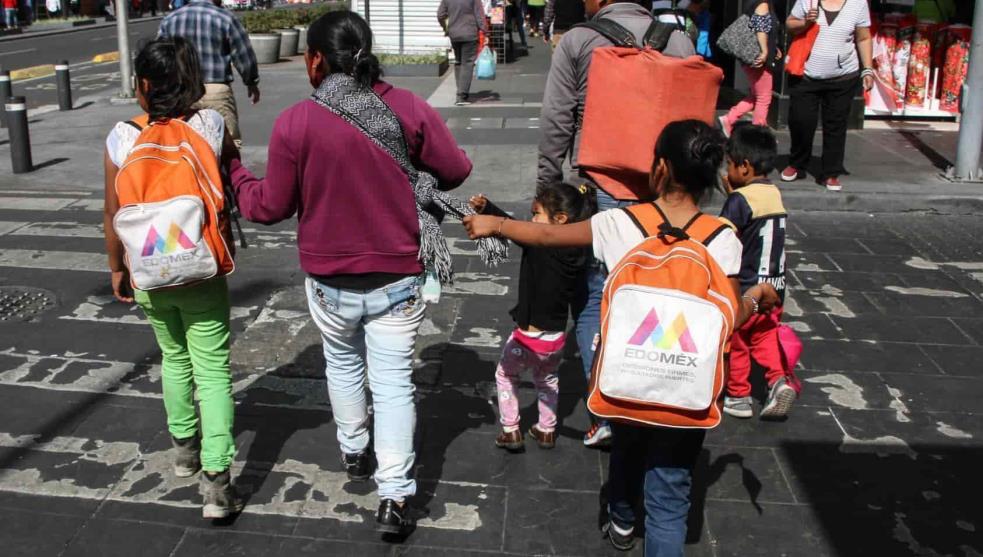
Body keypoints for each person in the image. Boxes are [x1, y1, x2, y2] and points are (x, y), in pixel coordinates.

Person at [464, 119, 780, 556]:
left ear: (660, 168)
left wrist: (494, 225)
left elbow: (547, 234)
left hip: (628, 373)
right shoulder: (722, 237)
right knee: (671, 497)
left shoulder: (620, 223)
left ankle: (621, 519)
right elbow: (728, 315)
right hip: (687, 388)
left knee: (628, 448)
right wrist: (755, 298)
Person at [228, 10, 473, 534]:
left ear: (315, 60)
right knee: (393, 386)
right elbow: (456, 170)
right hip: (398, 276)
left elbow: (269, 207)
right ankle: (395, 496)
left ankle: (354, 451)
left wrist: (236, 175)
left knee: (341, 364)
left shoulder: (296, 121)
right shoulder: (407, 106)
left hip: (329, 279)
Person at [538, 0, 695, 447]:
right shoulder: (678, 39)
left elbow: (556, 123)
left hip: (599, 186)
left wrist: (548, 191)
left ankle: (607, 408)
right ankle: (653, 398)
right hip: (663, 192)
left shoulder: (579, 40)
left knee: (594, 298)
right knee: (653, 293)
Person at [102, 37, 241, 519]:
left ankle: (184, 451)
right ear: (192, 82)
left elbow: (112, 211)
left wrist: (117, 267)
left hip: (147, 270)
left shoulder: (121, 136)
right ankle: (217, 482)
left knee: (174, 358)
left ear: (142, 85)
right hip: (200, 268)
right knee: (213, 370)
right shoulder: (209, 124)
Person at [470, 184, 591, 451]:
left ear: (559, 220)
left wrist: (489, 210)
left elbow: (512, 228)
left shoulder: (540, 245)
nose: (531, 222)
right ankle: (546, 429)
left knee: (505, 375)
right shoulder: (579, 250)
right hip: (556, 340)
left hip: (526, 339)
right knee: (547, 380)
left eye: (536, 215)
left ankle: (511, 429)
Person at [719, 123, 799, 420]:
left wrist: (730, 199)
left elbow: (724, 237)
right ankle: (778, 380)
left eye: (729, 165)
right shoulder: (773, 193)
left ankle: (738, 396)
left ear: (744, 166)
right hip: (775, 288)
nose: (727, 171)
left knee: (738, 339)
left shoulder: (740, 200)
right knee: (766, 337)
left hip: (748, 289)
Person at [781, 0, 873, 192]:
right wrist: (806, 22)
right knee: (801, 120)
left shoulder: (858, 3)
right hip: (805, 74)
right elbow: (790, 24)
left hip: (843, 76)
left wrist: (868, 70)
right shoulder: (808, 1)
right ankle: (797, 163)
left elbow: (863, 38)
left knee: (836, 125)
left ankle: (830, 172)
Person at [158, 0, 260, 146]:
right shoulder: (225, 18)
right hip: (216, 89)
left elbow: (159, 56)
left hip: (182, 91)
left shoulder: (170, 20)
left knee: (184, 144)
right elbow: (243, 53)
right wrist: (251, 82)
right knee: (228, 146)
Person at [719, 0, 780, 135]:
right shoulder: (762, 3)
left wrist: (773, 48)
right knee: (764, 97)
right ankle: (758, 133)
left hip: (755, 57)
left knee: (756, 95)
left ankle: (729, 118)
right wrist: (764, 51)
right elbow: (761, 28)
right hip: (758, 58)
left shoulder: (758, 3)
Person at [438, 0, 489, 106]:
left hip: (454, 34)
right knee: (467, 63)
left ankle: (460, 91)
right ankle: (462, 96)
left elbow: (440, 15)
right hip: (469, 33)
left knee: (458, 62)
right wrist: (485, 32)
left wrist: (446, 27)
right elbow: (479, 15)